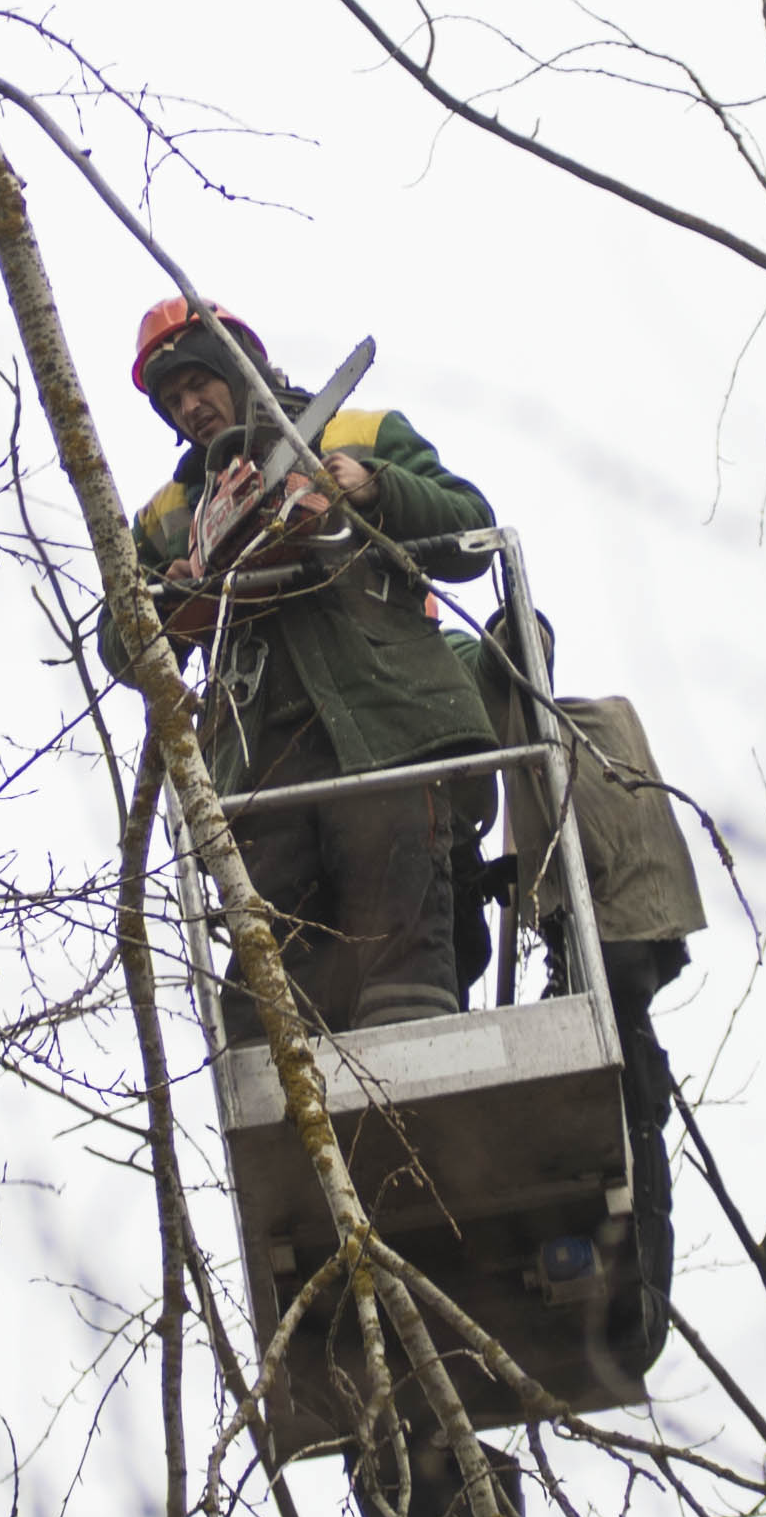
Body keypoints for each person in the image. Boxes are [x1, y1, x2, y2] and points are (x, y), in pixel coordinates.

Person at [117, 298, 496, 1032]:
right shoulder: (168, 513)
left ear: (237, 366)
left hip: (388, 721)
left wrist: (375, 487)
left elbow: (471, 529)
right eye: (173, 399)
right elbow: (117, 642)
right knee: (272, 996)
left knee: (403, 971)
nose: (190, 407)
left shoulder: (357, 431)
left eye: (199, 383)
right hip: (259, 755)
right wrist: (184, 587)